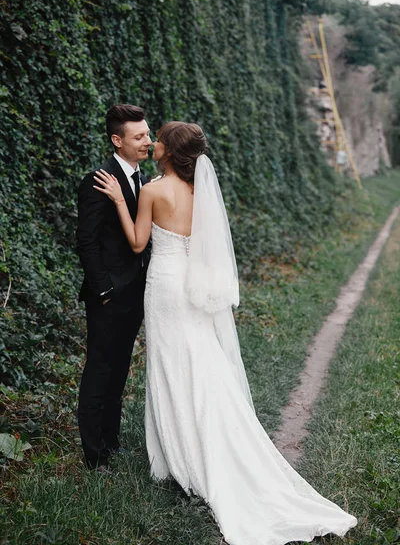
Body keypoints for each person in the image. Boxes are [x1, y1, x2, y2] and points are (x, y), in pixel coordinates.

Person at [93, 121, 357, 545]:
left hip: (163, 288)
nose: (153, 143)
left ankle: (180, 461)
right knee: (202, 361)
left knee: (170, 365)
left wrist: (118, 203)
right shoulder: (201, 195)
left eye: (158, 138)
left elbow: (139, 243)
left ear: (169, 150)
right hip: (192, 290)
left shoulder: (153, 192)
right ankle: (213, 440)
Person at [76, 104, 152, 470]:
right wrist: (103, 289)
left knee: (121, 368)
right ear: (116, 140)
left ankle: (112, 441)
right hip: (107, 296)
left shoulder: (144, 178)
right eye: (139, 137)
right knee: (100, 369)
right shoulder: (97, 180)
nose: (147, 142)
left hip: (136, 292)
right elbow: (86, 242)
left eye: (148, 134)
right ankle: (94, 455)